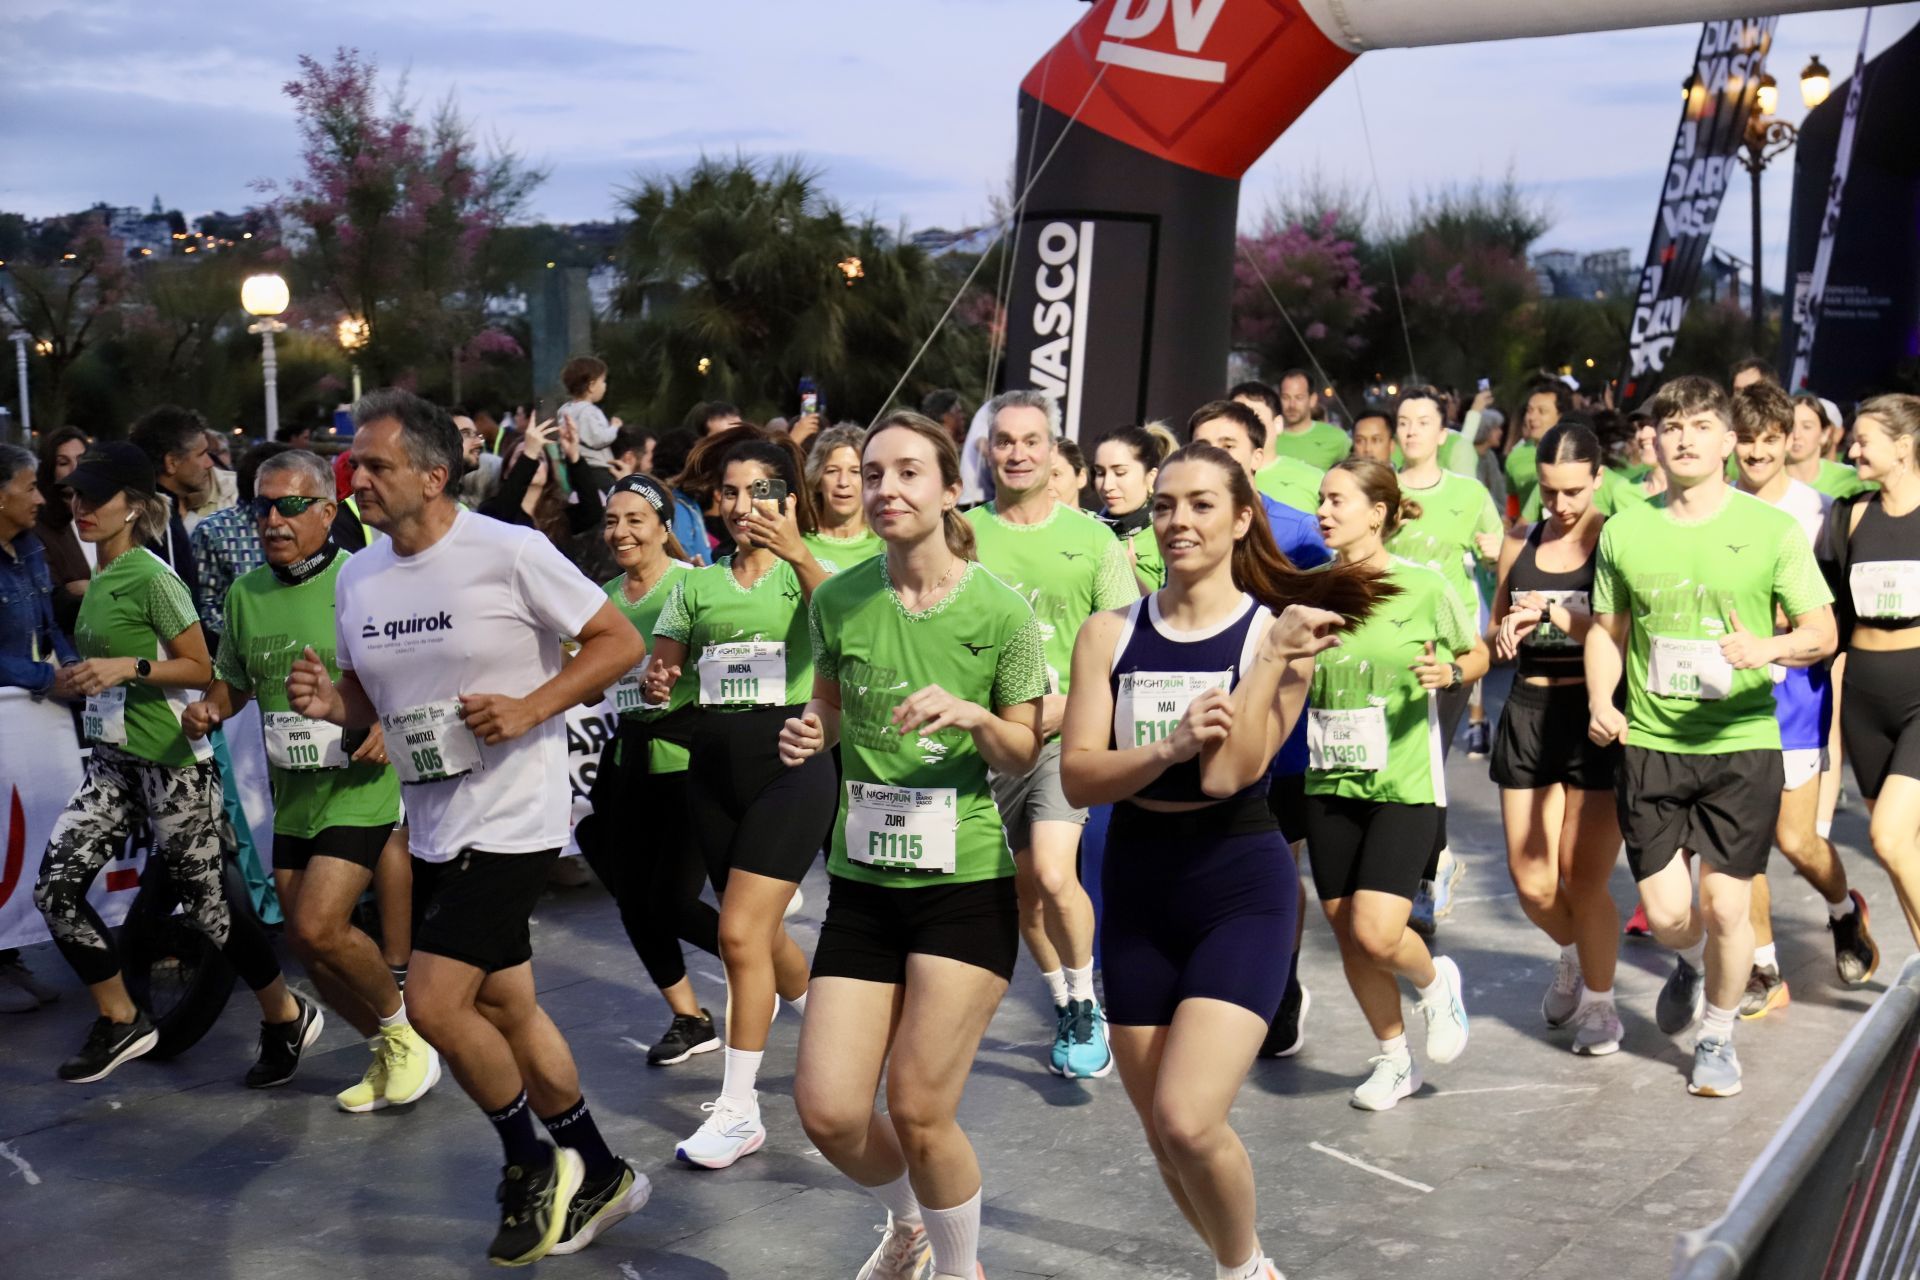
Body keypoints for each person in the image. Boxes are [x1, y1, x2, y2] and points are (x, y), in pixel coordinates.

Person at [286, 389, 650, 1263]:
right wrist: (328, 704)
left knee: (439, 1004)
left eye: (376, 465)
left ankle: (530, 1162)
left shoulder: (510, 552)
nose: (357, 479)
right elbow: (371, 698)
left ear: (434, 474)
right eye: (353, 465)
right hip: (436, 820)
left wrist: (531, 707)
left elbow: (616, 644)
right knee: (508, 1006)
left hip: (518, 816)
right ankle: (600, 1171)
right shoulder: (358, 575)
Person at [1061, 441, 1372, 1280]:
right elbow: (1080, 776)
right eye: (1165, 504)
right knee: (1163, 1132)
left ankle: (1246, 1272)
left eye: (1202, 504)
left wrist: (1269, 661)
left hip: (1239, 883)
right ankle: (1246, 1267)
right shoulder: (1108, 633)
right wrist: (1163, 748)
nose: (1178, 521)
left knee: (1190, 1118)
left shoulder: (1282, 636)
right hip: (1135, 882)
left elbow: (1234, 774)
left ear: (1241, 520)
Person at [784, 410, 1045, 1280]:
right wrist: (810, 732)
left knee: (921, 1108)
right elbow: (826, 706)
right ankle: (910, 1222)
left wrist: (973, 714)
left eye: (908, 473)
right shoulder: (837, 598)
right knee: (827, 1111)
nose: (886, 488)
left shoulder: (1002, 614)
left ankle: (963, 1269)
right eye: (874, 473)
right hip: (862, 882)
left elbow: (1024, 746)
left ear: (949, 488)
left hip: (962, 882)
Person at [1585, 375, 1836, 1098]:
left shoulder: (1772, 531)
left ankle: (1718, 1035)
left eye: (1700, 425)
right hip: (1653, 746)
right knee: (1667, 915)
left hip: (1740, 742)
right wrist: (1604, 697)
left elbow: (1822, 631)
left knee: (1728, 903)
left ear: (1730, 440)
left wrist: (1770, 649)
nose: (1685, 437)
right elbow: (1607, 631)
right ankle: (1690, 961)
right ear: (1654, 442)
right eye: (1672, 426)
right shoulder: (1627, 529)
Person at [33, 441, 313, 1086]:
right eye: (75, 496)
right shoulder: (100, 575)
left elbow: (201, 667)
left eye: (95, 498)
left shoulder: (154, 576)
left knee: (211, 910)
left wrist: (126, 669)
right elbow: (115, 668)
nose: (80, 508)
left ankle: (285, 1012)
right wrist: (83, 678)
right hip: (113, 765)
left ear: (132, 507)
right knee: (54, 888)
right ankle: (120, 1016)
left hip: (172, 766)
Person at [180, 447, 440, 1112]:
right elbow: (234, 681)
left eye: (290, 505)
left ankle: (405, 1029)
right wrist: (212, 707)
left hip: (359, 785)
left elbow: (421, 670)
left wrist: (390, 722)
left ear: (328, 511)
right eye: (261, 506)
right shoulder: (245, 593)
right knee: (304, 939)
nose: (272, 519)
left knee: (322, 925)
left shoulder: (367, 581)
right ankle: (389, 1050)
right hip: (292, 792)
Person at [645, 435, 834, 1168]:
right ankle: (829, 1021)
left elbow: (850, 631)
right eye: (730, 492)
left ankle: (738, 1110)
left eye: (759, 491)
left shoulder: (814, 571)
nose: (742, 505)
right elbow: (663, 667)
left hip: (791, 760)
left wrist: (800, 556)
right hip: (712, 765)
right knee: (752, 934)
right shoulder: (694, 585)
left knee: (736, 936)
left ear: (788, 498)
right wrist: (661, 681)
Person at [965, 390, 1140, 1079]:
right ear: (988, 451)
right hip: (983, 739)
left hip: (1062, 736)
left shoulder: (1093, 539)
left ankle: (1087, 1000)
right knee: (1022, 893)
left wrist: (1063, 710)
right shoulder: (961, 532)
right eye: (1004, 441)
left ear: (1052, 451)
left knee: (1053, 870)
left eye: (1030, 441)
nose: (1016, 453)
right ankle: (1064, 998)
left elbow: (1123, 648)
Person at [1305, 459, 1478, 1109]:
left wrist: (1452, 674)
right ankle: (1394, 1059)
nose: (1323, 510)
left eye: (1337, 500)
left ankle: (1437, 987)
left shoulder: (1423, 586)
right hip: (1329, 782)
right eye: (1320, 499)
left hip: (1402, 783)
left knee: (1378, 932)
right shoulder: (1311, 589)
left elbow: (1477, 650)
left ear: (1378, 512)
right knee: (1347, 931)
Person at [1187, 399, 1333, 1058]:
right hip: (1196, 716)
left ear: (1256, 454)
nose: (1214, 454)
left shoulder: (1302, 533)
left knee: (1275, 855)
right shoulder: (1174, 529)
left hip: (1281, 723)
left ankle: (1281, 982)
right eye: (1200, 443)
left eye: (1226, 443)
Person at [1725, 384, 1877, 1016]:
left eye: (1769, 441)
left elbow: (1833, 615)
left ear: (1791, 440)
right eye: (1747, 440)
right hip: (1730, 692)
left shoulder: (1821, 512)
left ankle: (1844, 910)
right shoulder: (1717, 506)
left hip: (1794, 692)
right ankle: (1765, 970)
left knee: (1797, 841)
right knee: (1744, 843)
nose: (1757, 453)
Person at [574, 472, 724, 1066]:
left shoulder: (696, 585)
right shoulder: (604, 600)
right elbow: (590, 692)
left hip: (692, 760)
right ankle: (689, 1016)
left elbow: (729, 662)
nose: (621, 531)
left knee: (669, 899)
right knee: (633, 897)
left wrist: (677, 677)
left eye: (635, 519)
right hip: (630, 760)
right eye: (612, 521)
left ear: (665, 528)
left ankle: (759, 963)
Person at [1487, 423, 1624, 1054]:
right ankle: (1572, 953)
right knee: (1533, 881)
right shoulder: (1521, 539)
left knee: (1582, 875)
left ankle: (1601, 1004)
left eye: (1573, 491)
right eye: (1549, 492)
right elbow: (1493, 628)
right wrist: (1506, 633)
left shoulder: (1618, 538)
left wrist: (1551, 611)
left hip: (1596, 711)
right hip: (1531, 704)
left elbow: (1618, 629)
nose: (1561, 505)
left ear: (1598, 478)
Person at [1388, 385, 1502, 918]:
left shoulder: (1469, 495)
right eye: (1403, 421)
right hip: (1389, 644)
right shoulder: (1380, 489)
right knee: (1396, 760)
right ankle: (1431, 863)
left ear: (1441, 433)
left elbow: (1501, 561)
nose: (1411, 430)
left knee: (1429, 760)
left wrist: (1498, 555)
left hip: (1451, 649)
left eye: (1422, 422)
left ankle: (1425, 879)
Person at [1824, 394, 1920, 949]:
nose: (1853, 449)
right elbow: (1830, 609)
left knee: (1886, 838)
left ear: (1903, 447)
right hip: (1864, 699)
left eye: (1864, 440)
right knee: (1902, 851)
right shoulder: (1853, 514)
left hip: (1918, 695)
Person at [0, 442, 77, 1014]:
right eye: (29, 486)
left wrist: (75, 673)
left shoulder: (29, 549)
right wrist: (41, 679)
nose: (40, 497)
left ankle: (13, 955)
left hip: (34, 721)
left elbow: (50, 624)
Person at [189, 441, 289, 650]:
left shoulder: (309, 524)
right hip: (235, 663)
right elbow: (202, 608)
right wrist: (255, 645)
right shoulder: (213, 531)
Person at [129, 405, 216, 602]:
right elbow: (176, 606)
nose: (209, 463)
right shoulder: (160, 522)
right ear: (172, 463)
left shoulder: (148, 509)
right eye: (202, 454)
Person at [1094, 425, 1171, 591]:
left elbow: (1171, 614)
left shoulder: (1167, 534)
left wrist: (1128, 575)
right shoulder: (1087, 528)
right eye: (1100, 473)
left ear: (1151, 477)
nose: (1107, 485)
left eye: (1120, 473)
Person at [35, 426, 92, 634]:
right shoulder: (40, 530)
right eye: (63, 462)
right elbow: (58, 602)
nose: (75, 469)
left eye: (81, 460)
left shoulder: (108, 517)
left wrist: (94, 588)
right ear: (50, 469)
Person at [805, 424, 884, 565]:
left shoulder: (888, 546)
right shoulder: (796, 544)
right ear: (817, 480)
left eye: (855, 472)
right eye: (832, 471)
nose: (843, 482)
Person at [1506, 381, 1568, 523]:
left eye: (1542, 411)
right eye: (1530, 410)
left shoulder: (1573, 453)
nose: (1532, 418)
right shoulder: (1515, 456)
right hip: (1527, 536)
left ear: (1560, 416)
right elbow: (1512, 499)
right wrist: (1510, 521)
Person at [1789, 393, 1870, 500]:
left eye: (1807, 427)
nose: (1796, 435)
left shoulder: (1851, 481)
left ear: (1824, 434)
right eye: (1790, 426)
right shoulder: (1767, 475)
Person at [1266, 369, 1351, 470]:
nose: (1292, 405)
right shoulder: (1267, 438)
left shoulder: (1337, 438)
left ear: (1312, 399)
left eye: (1299, 398)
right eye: (1285, 397)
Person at [558, 356, 617, 470]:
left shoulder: (564, 410)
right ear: (592, 386)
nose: (605, 385)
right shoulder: (588, 411)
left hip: (573, 467)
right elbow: (599, 438)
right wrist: (614, 427)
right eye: (603, 381)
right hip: (595, 468)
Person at [1050, 437, 1091, 510]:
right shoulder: (1024, 520)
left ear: (1081, 477)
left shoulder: (1095, 521)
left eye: (1056, 475)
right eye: (1041, 477)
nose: (1047, 486)